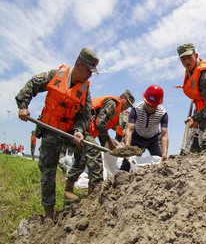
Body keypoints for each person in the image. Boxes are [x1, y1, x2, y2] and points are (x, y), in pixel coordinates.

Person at [15, 48, 98, 223]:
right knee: (48, 169)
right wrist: (23, 105)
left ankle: (94, 196)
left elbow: (84, 116)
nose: (90, 75)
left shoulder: (85, 90)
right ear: (78, 65)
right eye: (88, 71)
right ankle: (49, 213)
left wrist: (79, 131)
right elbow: (32, 85)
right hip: (51, 129)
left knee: (92, 148)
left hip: (70, 132)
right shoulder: (55, 75)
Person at [64, 90, 135, 199]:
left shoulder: (116, 113)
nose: (126, 107)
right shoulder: (113, 103)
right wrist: (109, 143)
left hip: (86, 130)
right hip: (81, 126)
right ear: (122, 98)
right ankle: (94, 193)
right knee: (95, 155)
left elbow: (105, 130)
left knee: (81, 158)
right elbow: (100, 124)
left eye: (129, 106)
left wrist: (108, 146)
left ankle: (68, 189)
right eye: (127, 104)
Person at [120, 85, 169, 172]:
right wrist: (127, 148)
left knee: (162, 162)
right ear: (144, 100)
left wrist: (164, 153)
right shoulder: (136, 109)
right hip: (137, 137)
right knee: (127, 161)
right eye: (148, 105)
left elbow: (164, 135)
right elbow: (129, 129)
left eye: (153, 106)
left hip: (154, 139)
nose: (150, 108)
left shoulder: (163, 113)